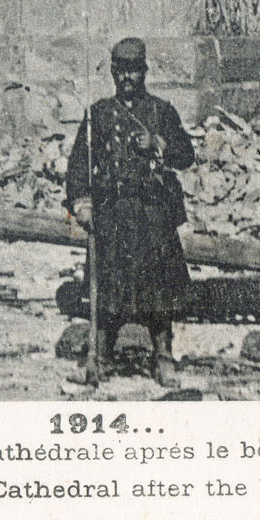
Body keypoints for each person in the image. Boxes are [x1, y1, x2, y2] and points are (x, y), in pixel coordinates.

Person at [66, 37, 196, 387]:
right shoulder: (98, 114)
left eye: (133, 71)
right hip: (112, 213)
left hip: (152, 213)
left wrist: (158, 143)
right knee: (108, 289)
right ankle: (100, 358)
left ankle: (164, 358)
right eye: (120, 71)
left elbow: (186, 154)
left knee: (159, 291)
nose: (126, 78)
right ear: (113, 72)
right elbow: (79, 164)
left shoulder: (161, 111)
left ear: (144, 72)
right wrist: (81, 202)